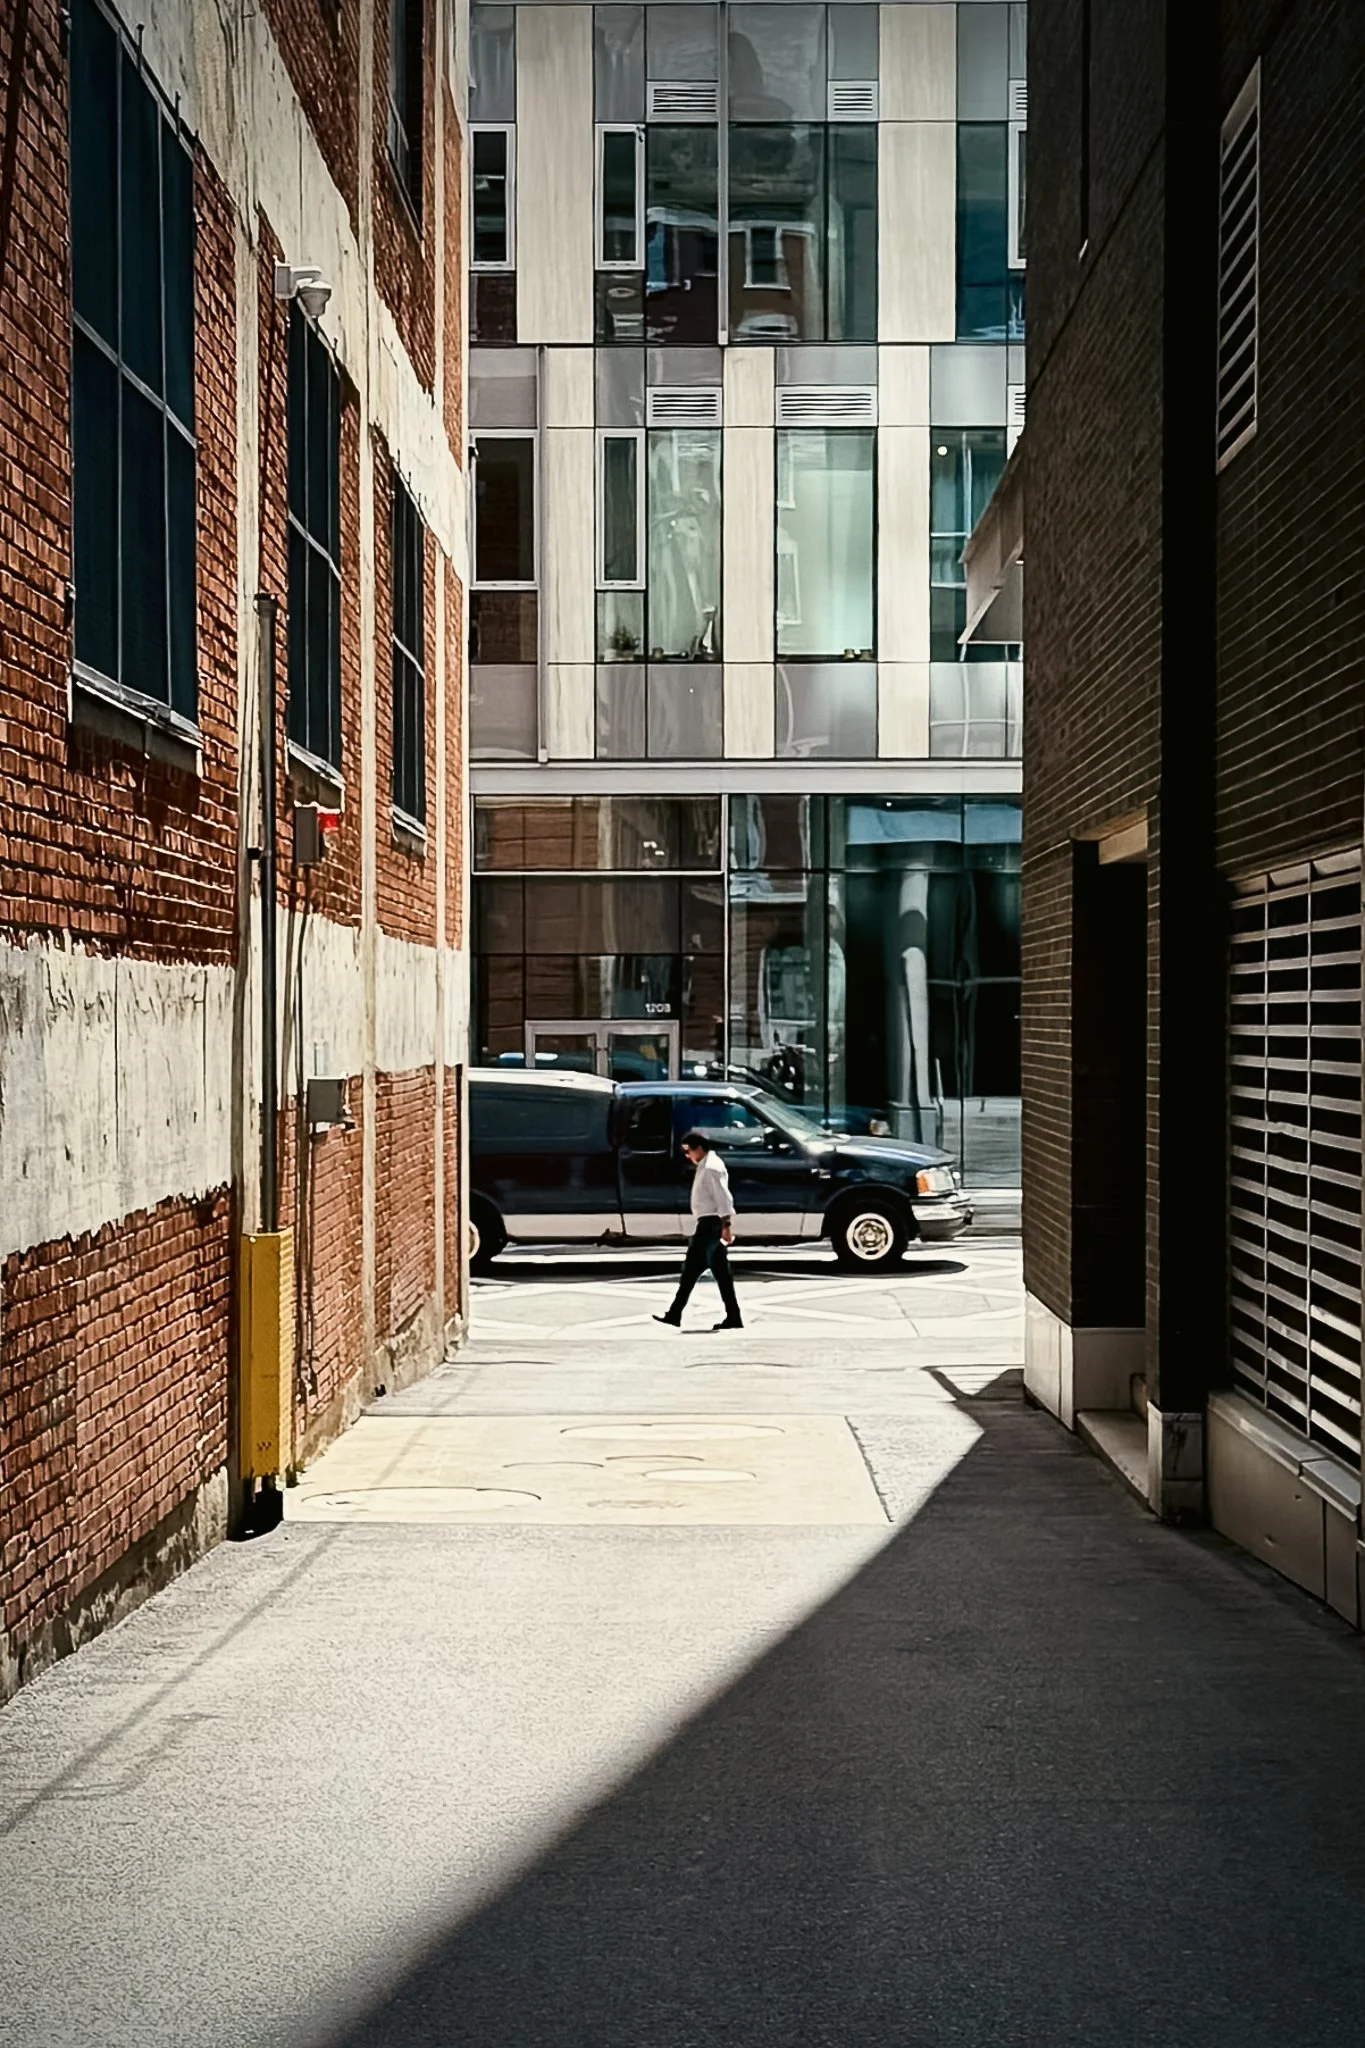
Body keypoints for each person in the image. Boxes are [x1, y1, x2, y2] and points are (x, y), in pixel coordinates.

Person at [653, 1129, 744, 1331]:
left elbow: (723, 1197)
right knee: (702, 1272)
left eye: (689, 1151)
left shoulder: (711, 1168)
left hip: (711, 1225)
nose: (688, 1156)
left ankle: (731, 1316)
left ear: (700, 1148)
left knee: (707, 1273)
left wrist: (726, 1225)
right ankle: (676, 1313)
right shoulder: (705, 1165)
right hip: (706, 1225)